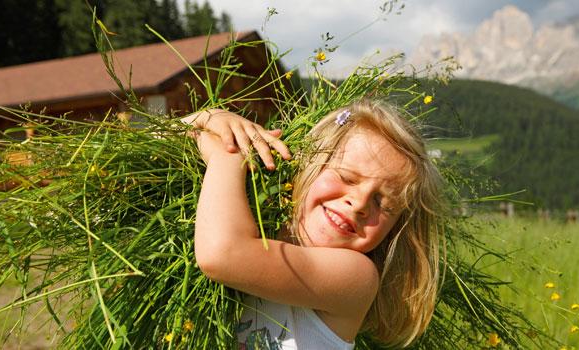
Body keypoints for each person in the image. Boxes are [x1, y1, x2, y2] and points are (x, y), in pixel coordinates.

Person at [183, 99, 443, 349]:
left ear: (395, 229)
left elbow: (222, 254)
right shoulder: (257, 217)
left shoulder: (356, 277)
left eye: (384, 204)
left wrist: (226, 158)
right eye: (347, 178)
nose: (360, 203)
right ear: (310, 163)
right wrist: (211, 118)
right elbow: (150, 142)